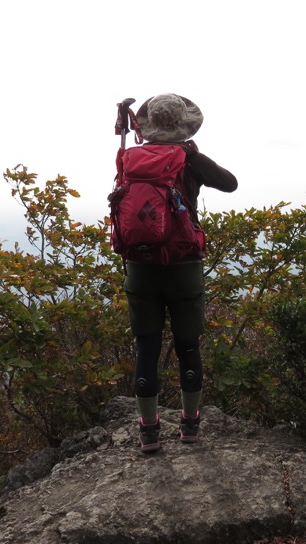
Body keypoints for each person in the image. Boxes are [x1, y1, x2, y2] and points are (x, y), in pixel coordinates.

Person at [125, 93, 237, 452]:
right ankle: (190, 426)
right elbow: (230, 183)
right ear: (183, 125)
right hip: (184, 265)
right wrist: (194, 155)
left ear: (150, 125)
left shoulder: (131, 158)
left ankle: (149, 432)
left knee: (147, 347)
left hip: (140, 266)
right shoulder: (188, 158)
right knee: (188, 345)